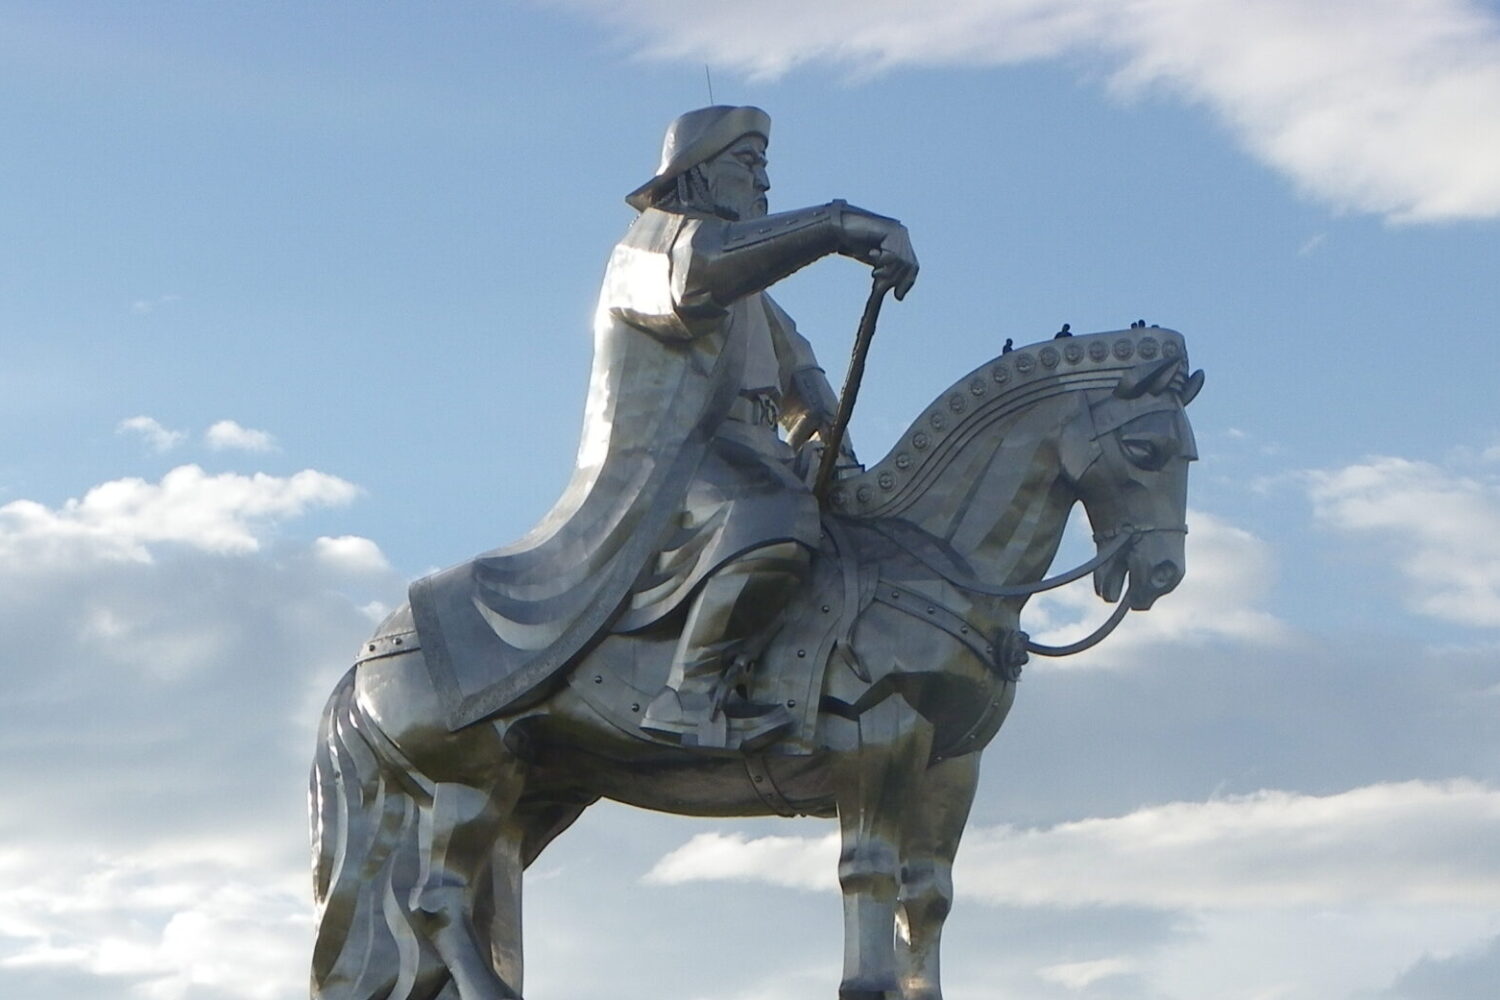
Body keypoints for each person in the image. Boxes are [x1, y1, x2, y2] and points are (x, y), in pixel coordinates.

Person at [408, 106, 917, 747]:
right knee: (771, 520)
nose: (763, 184)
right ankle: (689, 697)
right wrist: (838, 225)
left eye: (766, 168)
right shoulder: (649, 249)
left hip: (759, 450)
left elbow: (803, 386)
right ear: (696, 175)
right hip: (679, 459)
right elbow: (699, 273)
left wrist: (834, 456)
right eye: (748, 163)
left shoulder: (759, 297)